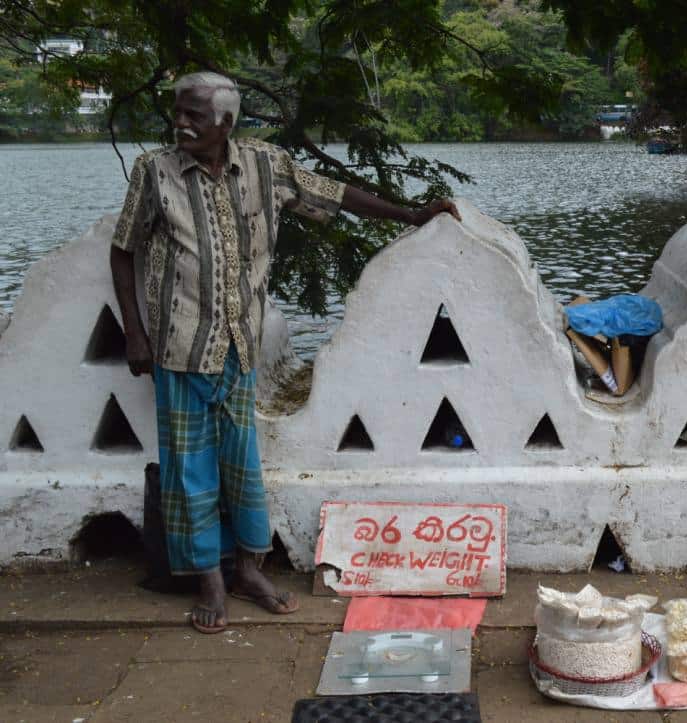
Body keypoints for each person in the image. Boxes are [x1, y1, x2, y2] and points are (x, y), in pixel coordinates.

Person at [109, 72, 460, 634]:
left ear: (225, 122)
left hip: (240, 346)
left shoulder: (265, 165)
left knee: (243, 468)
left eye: (193, 115)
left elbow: (335, 194)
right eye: (176, 112)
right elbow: (123, 250)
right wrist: (134, 331)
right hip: (179, 347)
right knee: (189, 472)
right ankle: (210, 582)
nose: (179, 123)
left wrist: (411, 215)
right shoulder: (157, 171)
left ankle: (249, 568)